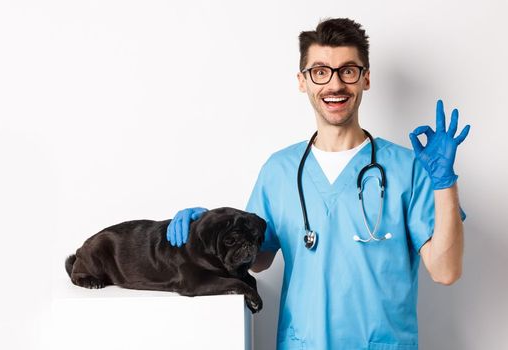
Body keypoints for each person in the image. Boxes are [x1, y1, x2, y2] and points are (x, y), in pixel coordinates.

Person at [164, 18, 469, 349]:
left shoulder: (407, 167)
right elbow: (257, 259)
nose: (334, 84)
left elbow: (445, 271)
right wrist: (208, 228)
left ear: (365, 78)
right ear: (302, 81)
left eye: (348, 70)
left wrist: (444, 182)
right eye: (320, 72)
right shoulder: (279, 171)